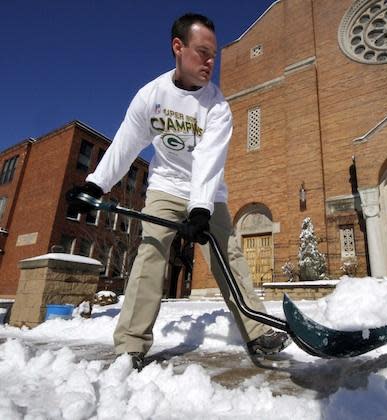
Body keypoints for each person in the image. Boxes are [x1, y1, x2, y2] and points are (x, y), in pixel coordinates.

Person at [67, 13, 291, 370]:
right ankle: (131, 345)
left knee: (227, 255)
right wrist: (96, 183)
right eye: (202, 51)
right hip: (166, 186)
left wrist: (200, 209)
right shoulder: (151, 96)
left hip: (209, 193)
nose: (210, 62)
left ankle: (257, 331)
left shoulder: (217, 106)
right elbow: (126, 145)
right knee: (151, 253)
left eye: (213, 54)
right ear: (178, 47)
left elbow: (207, 159)